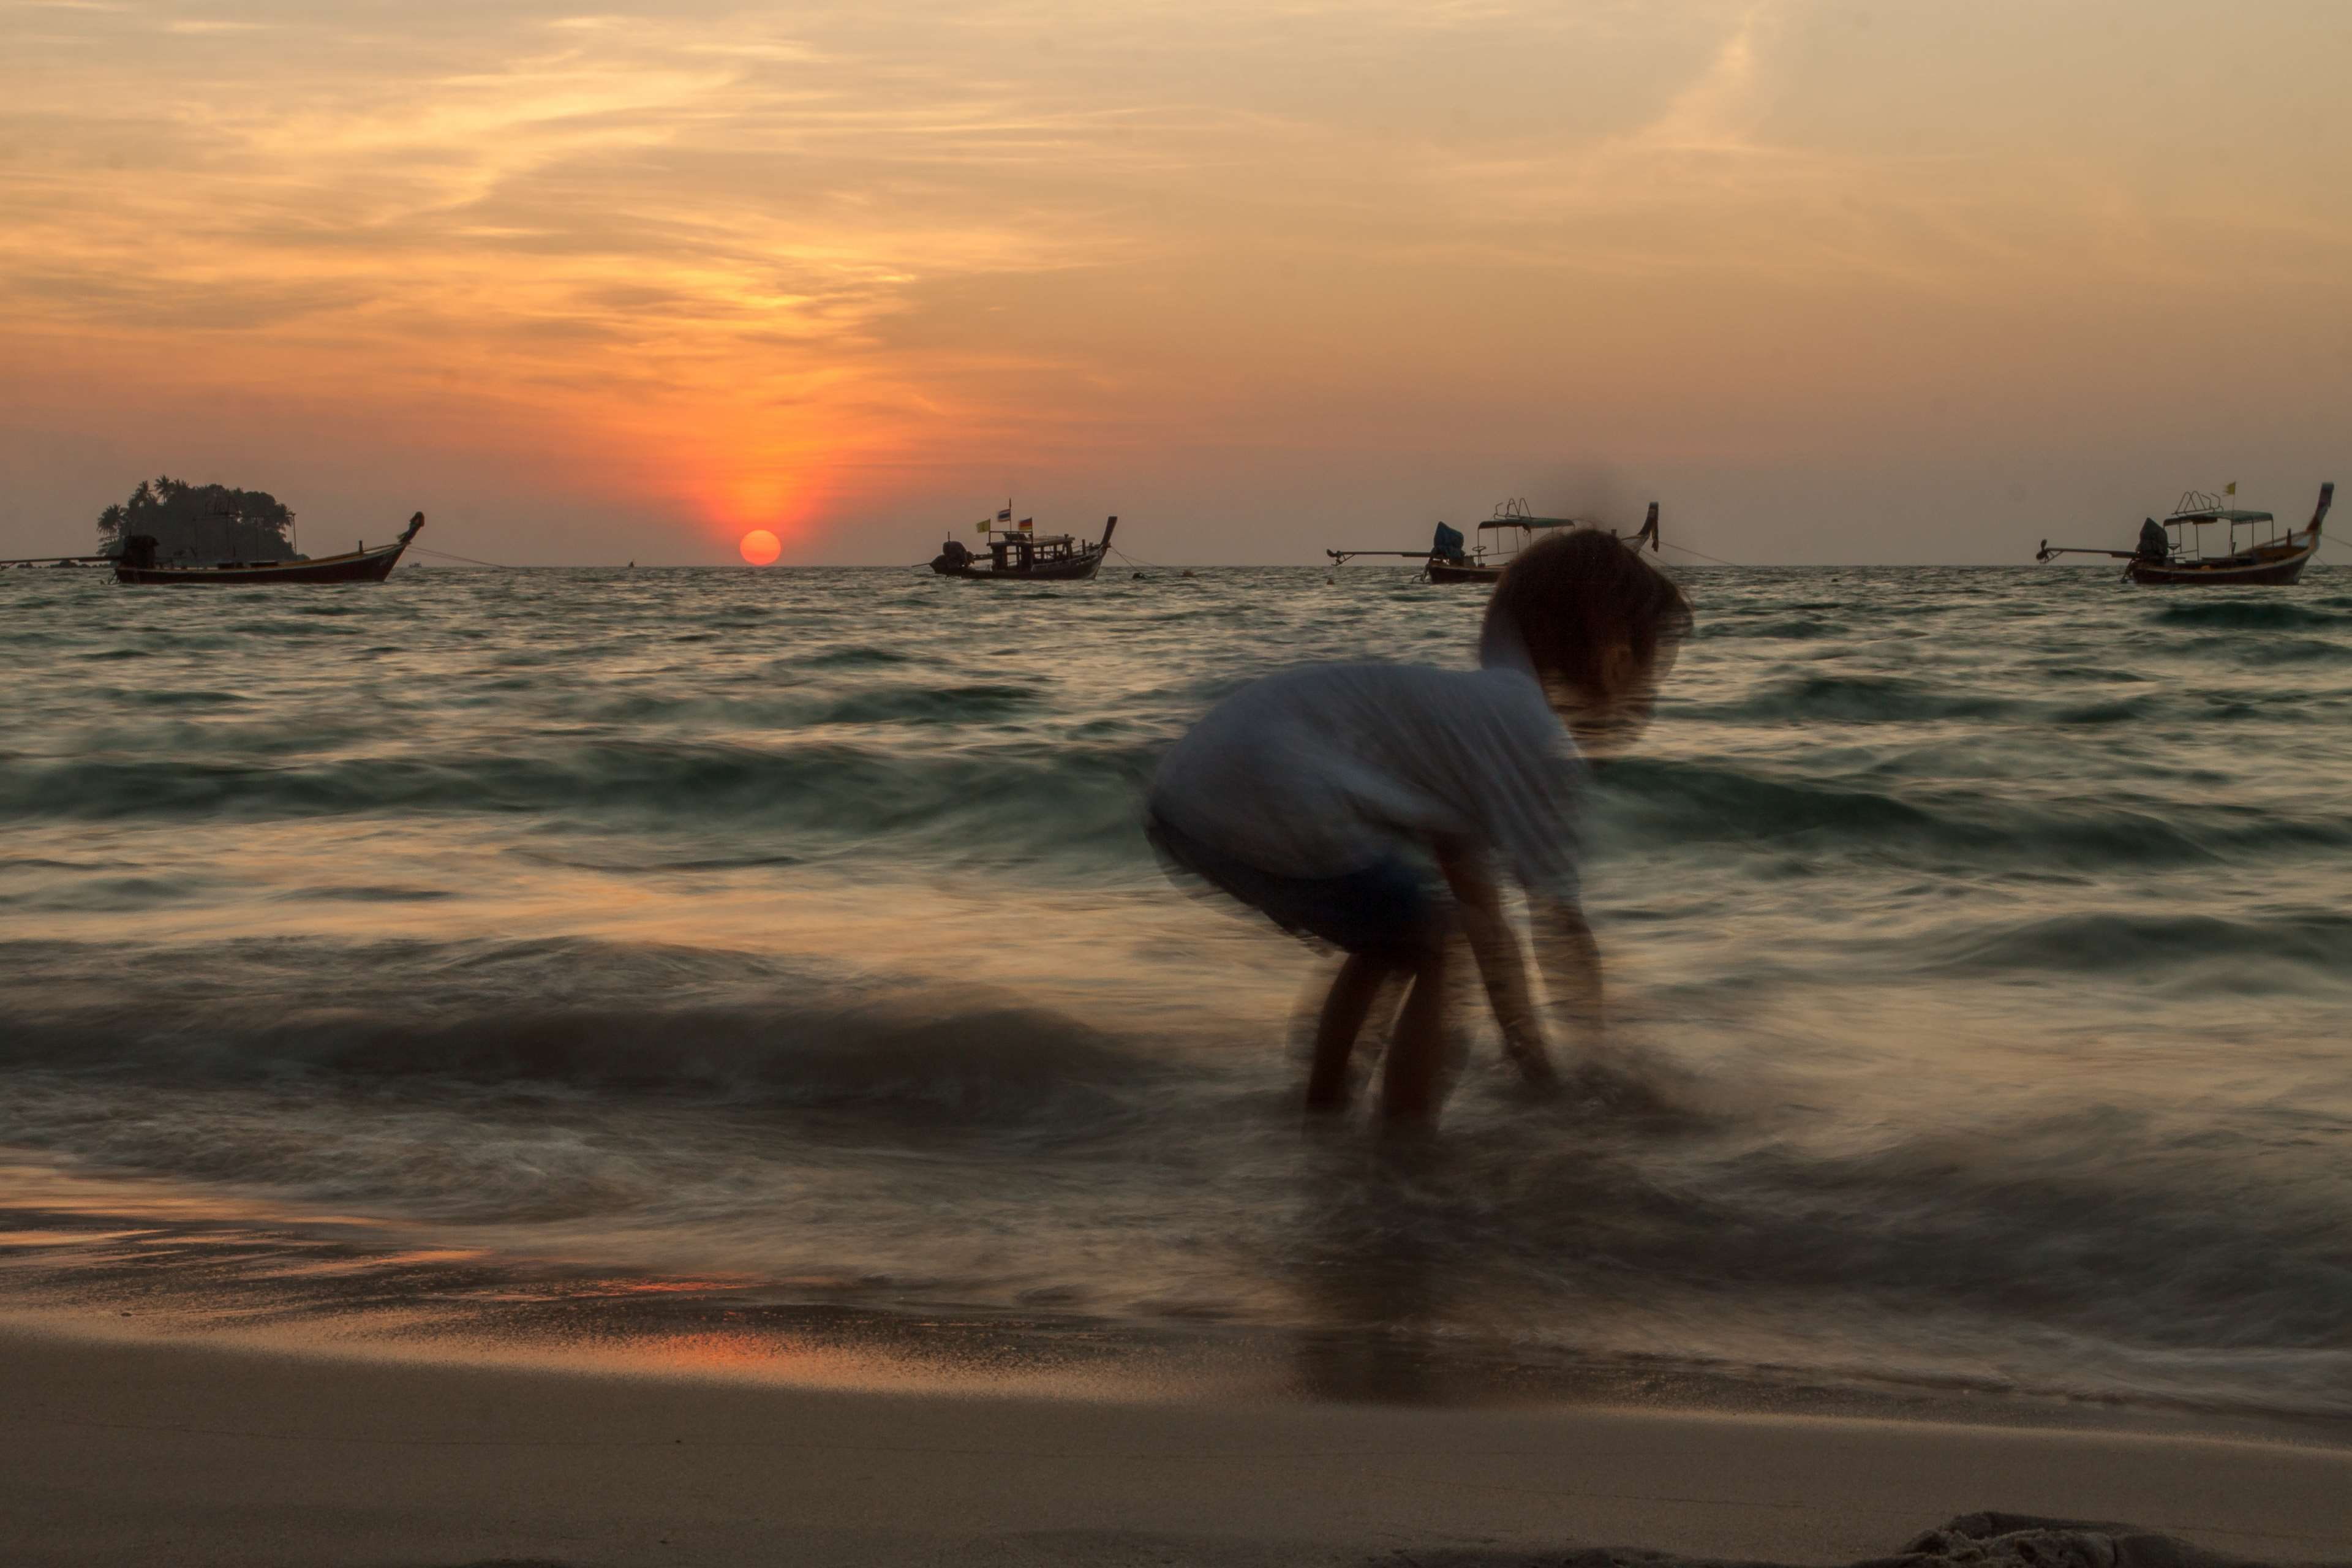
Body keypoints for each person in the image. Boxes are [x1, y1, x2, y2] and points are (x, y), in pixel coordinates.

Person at [1145, 530, 1692, 1129]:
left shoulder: (1471, 717)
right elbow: (1558, 927)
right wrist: (1590, 1065)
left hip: (1185, 796)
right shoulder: (1527, 731)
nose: (1649, 694)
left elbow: (1492, 926)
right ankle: (1406, 1148)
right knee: (1436, 944)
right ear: (1616, 658)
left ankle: (1322, 1119)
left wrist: (1528, 1055)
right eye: (1653, 672)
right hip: (1272, 791)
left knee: (1398, 938)